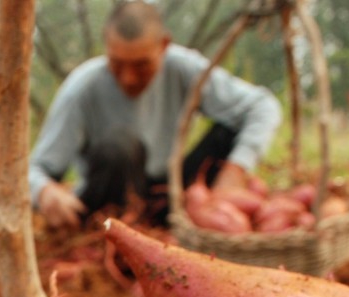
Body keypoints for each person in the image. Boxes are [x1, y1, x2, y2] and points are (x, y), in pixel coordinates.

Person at [29, 1, 282, 230]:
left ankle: (198, 221)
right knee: (119, 145)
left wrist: (236, 168)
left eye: (141, 65)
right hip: (111, 203)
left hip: (171, 194)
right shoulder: (83, 87)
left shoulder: (183, 67)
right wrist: (45, 191)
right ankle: (116, 234)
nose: (128, 78)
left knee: (228, 130)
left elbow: (262, 106)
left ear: (164, 45)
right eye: (117, 63)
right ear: (106, 44)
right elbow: (34, 169)